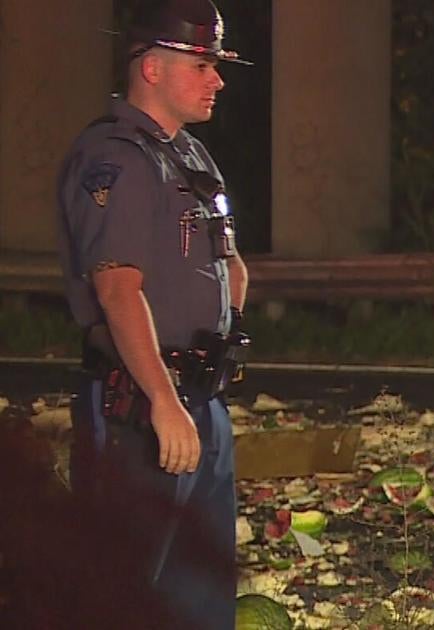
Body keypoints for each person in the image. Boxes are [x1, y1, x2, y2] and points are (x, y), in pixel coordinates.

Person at [56, 1, 251, 628]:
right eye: (202, 64)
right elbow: (118, 291)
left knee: (199, 595)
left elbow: (232, 264)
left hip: (199, 400)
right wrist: (163, 401)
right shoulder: (117, 158)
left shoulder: (190, 156)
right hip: (141, 406)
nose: (216, 79)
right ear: (151, 68)